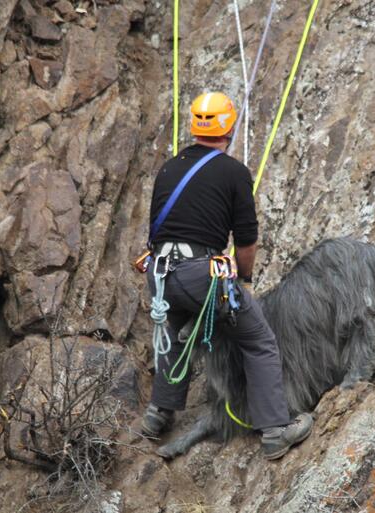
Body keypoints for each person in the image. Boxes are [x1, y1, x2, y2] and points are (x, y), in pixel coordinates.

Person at [141, 92, 313, 460]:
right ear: (230, 127)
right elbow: (246, 241)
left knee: (171, 333)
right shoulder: (234, 172)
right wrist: (245, 281)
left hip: (159, 272)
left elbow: (159, 229)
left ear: (194, 127)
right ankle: (275, 430)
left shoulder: (169, 168)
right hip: (200, 274)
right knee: (259, 340)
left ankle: (158, 413)